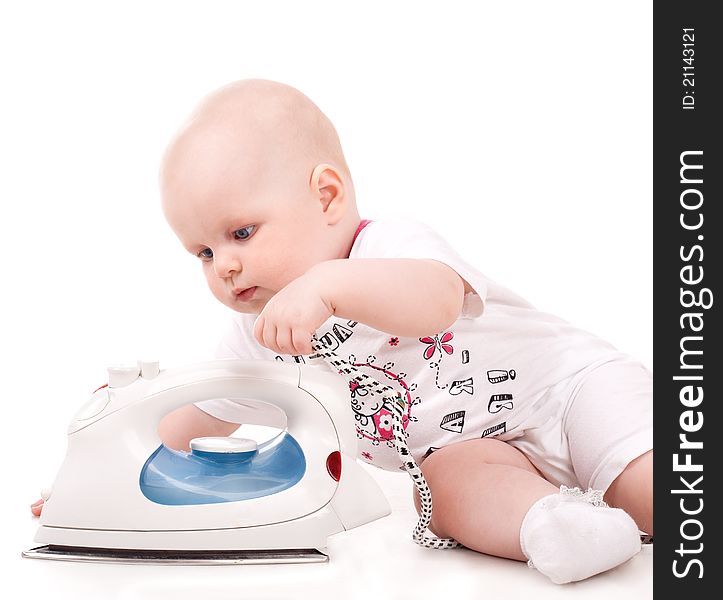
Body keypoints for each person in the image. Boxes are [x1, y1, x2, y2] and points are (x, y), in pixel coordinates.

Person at [31, 79, 652, 585]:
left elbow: (435, 303)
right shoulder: (257, 336)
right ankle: (555, 526)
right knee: (448, 493)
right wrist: (92, 482)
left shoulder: (388, 246)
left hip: (569, 393)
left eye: (241, 233)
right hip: (474, 451)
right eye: (202, 252)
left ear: (327, 196)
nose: (225, 266)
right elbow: (194, 418)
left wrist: (328, 286)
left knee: (653, 489)